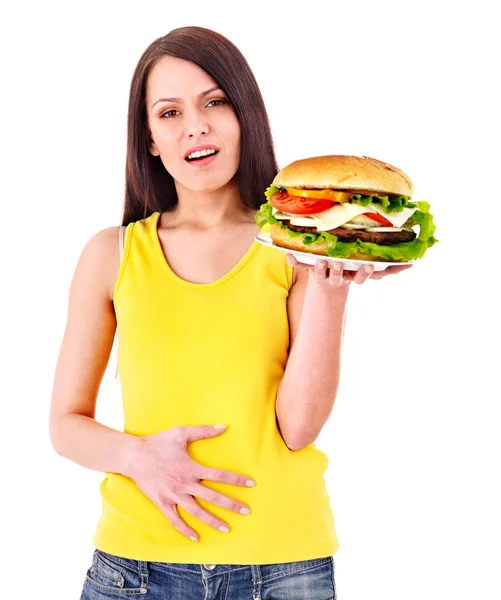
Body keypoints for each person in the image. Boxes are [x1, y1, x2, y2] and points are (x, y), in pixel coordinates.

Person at [49, 26, 411, 600]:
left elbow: (299, 427)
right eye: (169, 113)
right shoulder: (111, 255)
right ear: (149, 140)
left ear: (245, 116)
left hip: (286, 567)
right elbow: (65, 425)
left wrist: (331, 288)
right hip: (134, 570)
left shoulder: (295, 252)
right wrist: (138, 458)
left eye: (214, 102)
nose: (195, 125)